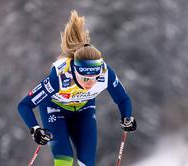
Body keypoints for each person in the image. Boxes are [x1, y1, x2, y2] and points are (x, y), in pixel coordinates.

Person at [18, 10, 136, 166]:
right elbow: (24, 105)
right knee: (65, 158)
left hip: (84, 109)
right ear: (75, 71)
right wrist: (35, 129)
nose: (90, 83)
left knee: (87, 161)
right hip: (55, 109)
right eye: (85, 77)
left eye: (94, 77)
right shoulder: (59, 77)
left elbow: (123, 99)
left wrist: (127, 117)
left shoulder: (106, 74)